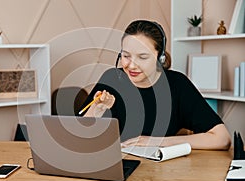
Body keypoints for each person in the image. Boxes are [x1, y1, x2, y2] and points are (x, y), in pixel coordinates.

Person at [79, 20, 231, 150]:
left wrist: (157, 142)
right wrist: (96, 110)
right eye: (126, 56)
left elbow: (222, 139)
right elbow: (79, 138)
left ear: (161, 58)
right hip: (115, 171)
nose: (131, 65)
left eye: (142, 57)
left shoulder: (177, 85)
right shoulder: (112, 79)